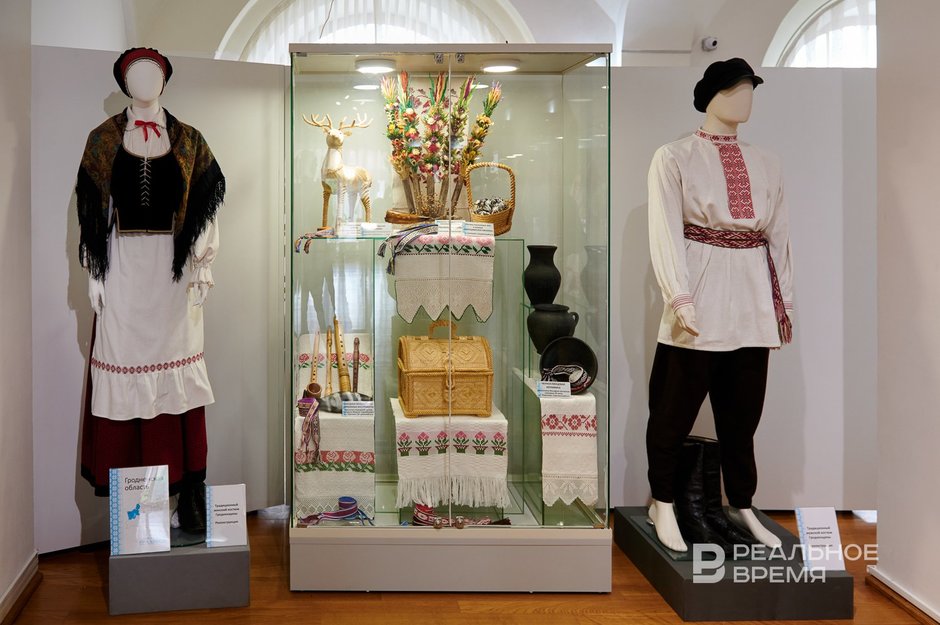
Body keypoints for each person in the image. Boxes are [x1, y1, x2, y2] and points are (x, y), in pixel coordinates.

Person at [646, 58, 794, 552]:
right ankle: (663, 500)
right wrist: (679, 296)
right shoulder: (674, 157)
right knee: (673, 408)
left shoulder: (768, 162)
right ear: (710, 97)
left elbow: (780, 238)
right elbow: (665, 232)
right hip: (700, 292)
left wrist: (784, 306)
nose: (746, 97)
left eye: (750, 88)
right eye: (734, 89)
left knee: (742, 414)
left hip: (752, 298)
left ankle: (743, 503)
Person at [76, 47, 225, 538]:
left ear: (165, 80)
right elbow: (93, 212)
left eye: (153, 73)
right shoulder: (102, 140)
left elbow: (205, 205)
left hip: (173, 277)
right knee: (126, 373)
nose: (145, 81)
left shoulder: (188, 139)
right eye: (135, 74)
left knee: (181, 386)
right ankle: (137, 505)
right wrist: (94, 273)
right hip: (124, 273)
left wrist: (202, 266)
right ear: (124, 82)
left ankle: (192, 493)